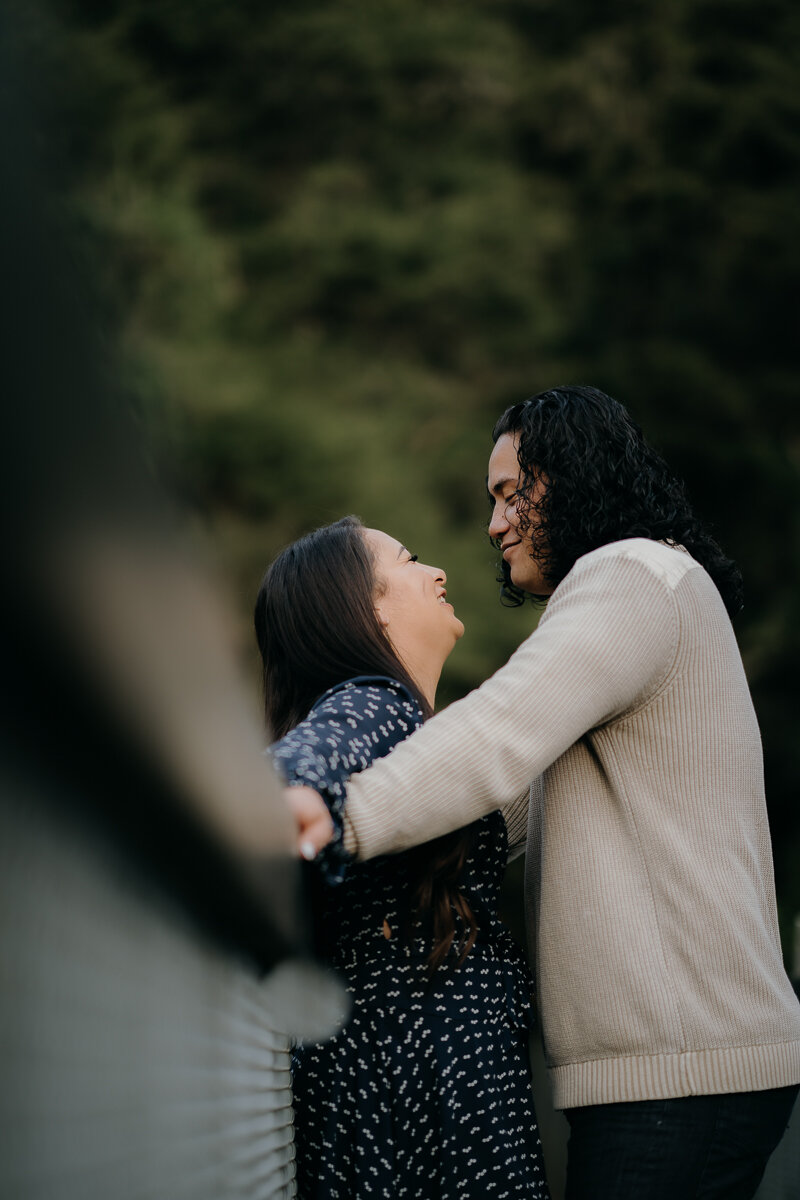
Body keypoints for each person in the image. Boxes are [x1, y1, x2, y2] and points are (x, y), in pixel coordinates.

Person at [290, 388, 800, 1200]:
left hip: (679, 1073)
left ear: (568, 475)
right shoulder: (635, 596)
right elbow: (495, 813)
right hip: (672, 1072)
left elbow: (498, 732)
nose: (493, 526)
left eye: (507, 492)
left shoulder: (634, 574)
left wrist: (340, 814)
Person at [255, 516, 550, 1199]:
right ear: (362, 606)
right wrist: (289, 795)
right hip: (424, 1086)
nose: (438, 572)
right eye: (410, 561)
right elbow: (294, 769)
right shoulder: (375, 703)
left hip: (398, 1078)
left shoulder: (402, 724)